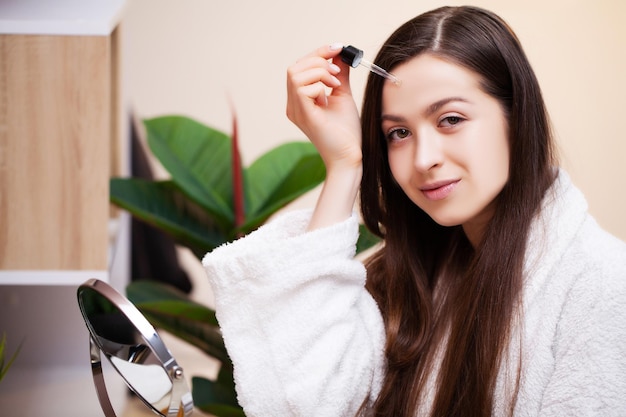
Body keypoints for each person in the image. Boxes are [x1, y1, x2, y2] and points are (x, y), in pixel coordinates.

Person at [202, 5, 626, 416]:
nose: (423, 159)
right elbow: (309, 406)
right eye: (399, 133)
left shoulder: (602, 284)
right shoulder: (404, 279)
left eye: (450, 119)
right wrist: (344, 166)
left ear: (516, 116)